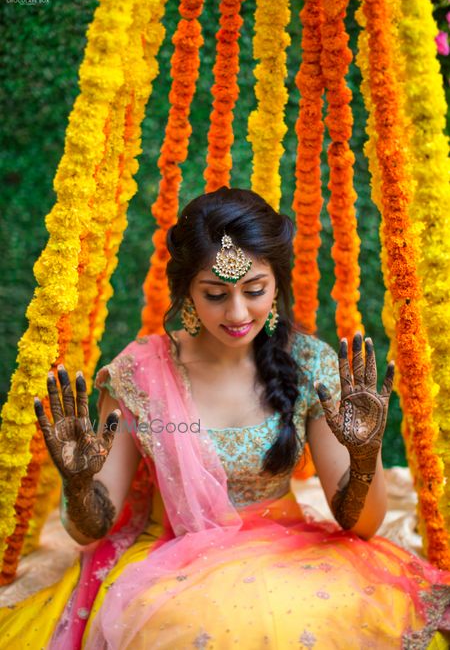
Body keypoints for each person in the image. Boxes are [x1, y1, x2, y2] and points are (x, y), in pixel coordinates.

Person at [1, 186, 449, 649]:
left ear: (277, 283)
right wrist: (76, 484)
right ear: (186, 292)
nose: (237, 313)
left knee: (328, 614)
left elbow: (361, 526)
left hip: (293, 550)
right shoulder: (140, 372)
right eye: (215, 294)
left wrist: (363, 456)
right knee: (197, 626)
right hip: (172, 558)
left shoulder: (310, 364)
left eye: (254, 290)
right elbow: (92, 528)